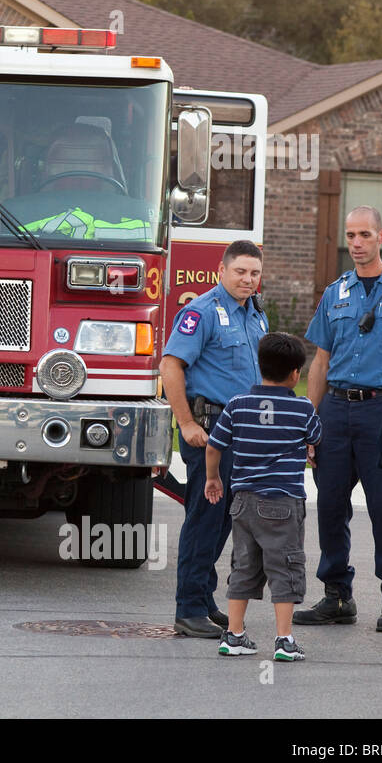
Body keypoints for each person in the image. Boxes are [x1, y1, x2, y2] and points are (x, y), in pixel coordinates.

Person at [296, 206, 382, 633]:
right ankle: (337, 595)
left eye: (363, 234)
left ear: (381, 236)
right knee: (331, 505)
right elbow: (319, 363)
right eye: (350, 234)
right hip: (336, 409)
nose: (355, 242)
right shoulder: (334, 292)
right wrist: (310, 423)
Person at [160, 239, 268, 637]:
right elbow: (171, 365)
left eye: (254, 273)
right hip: (210, 432)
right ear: (221, 270)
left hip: (243, 432)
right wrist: (186, 423)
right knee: (205, 520)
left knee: (223, 520)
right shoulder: (201, 311)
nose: (247, 279)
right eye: (240, 271)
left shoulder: (255, 315)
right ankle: (187, 609)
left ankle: (203, 599)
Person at [204, 333, 322, 661]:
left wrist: (213, 478)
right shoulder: (301, 408)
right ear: (296, 374)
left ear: (260, 367)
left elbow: (214, 446)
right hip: (283, 502)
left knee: (243, 565)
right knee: (284, 567)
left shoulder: (238, 404)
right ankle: (284, 640)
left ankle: (235, 635)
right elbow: (315, 437)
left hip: (243, 501)